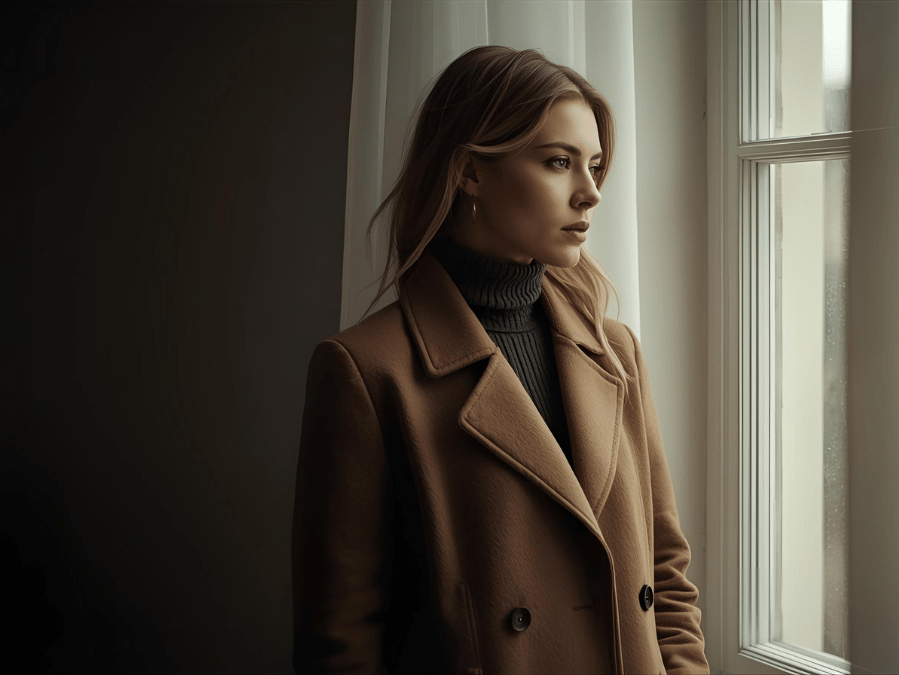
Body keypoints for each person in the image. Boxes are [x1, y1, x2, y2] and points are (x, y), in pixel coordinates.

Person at [291, 45, 708, 674]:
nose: (590, 193)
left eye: (594, 166)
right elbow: (342, 641)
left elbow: (665, 579)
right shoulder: (366, 372)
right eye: (558, 162)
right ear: (470, 173)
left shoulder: (615, 352)